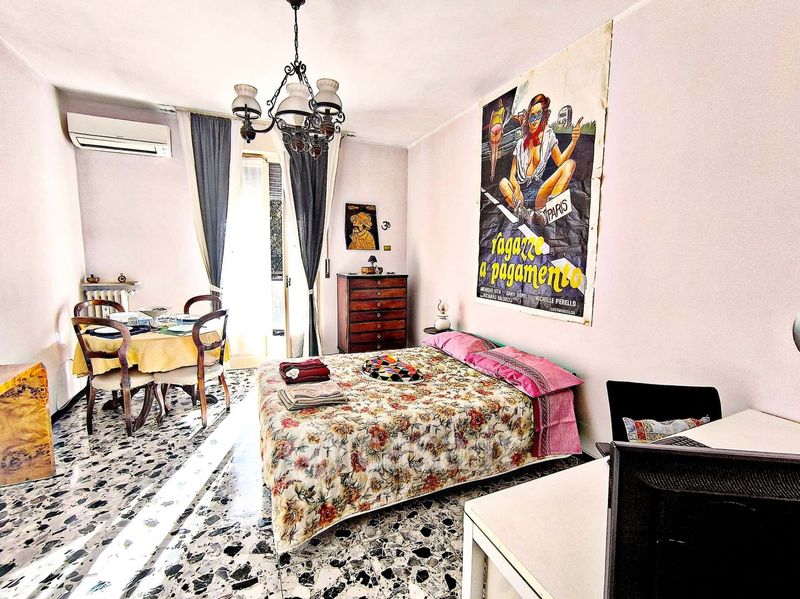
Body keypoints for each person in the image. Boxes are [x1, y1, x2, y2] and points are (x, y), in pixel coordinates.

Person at [498, 94, 583, 225]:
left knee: (570, 164)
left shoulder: (548, 136)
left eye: (538, 115)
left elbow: (560, 161)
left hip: (539, 192)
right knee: (503, 183)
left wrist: (573, 141)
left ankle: (547, 212)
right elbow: (512, 175)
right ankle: (524, 213)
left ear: (543, 116)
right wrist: (517, 188)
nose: (534, 120)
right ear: (527, 118)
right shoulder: (521, 143)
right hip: (521, 195)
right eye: (532, 116)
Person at [488, 99, 506, 181]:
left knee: (494, 152)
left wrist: (490, 132)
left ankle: (492, 172)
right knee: (495, 151)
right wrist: (501, 130)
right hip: (497, 127)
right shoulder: (501, 110)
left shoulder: (495, 111)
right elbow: (501, 120)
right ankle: (492, 172)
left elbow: (491, 123)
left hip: (494, 128)